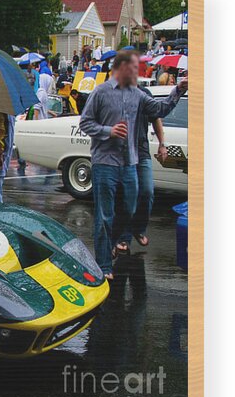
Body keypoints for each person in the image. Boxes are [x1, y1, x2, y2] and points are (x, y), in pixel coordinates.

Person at [79, 50, 187, 279]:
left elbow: (159, 110)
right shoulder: (100, 92)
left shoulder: (137, 95)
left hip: (130, 162)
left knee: (129, 207)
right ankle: (104, 264)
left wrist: (178, 90)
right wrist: (109, 131)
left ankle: (116, 239)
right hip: (105, 163)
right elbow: (85, 123)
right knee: (104, 214)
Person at [112, 80, 167, 253]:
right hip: (122, 154)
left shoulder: (145, 94)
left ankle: (139, 228)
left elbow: (156, 118)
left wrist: (162, 143)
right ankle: (124, 236)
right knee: (127, 197)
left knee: (147, 191)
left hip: (142, 151)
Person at [0, 115, 16, 202]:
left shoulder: (5, 115)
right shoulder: (9, 114)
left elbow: (5, 139)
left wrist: (1, 155)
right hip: (0, 157)